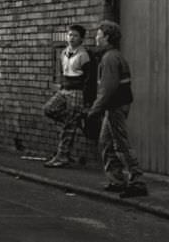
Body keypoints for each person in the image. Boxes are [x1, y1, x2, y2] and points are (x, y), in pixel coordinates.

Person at [85, 20, 148, 198]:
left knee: (121, 144)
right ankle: (117, 180)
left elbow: (107, 90)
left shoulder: (110, 58)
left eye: (99, 35)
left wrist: (93, 111)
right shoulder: (111, 56)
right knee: (105, 142)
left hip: (116, 106)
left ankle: (137, 182)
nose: (96, 38)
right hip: (115, 105)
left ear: (107, 37)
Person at [43, 24, 92, 168]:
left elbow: (89, 79)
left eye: (75, 35)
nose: (71, 38)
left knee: (68, 128)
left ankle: (62, 156)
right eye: (70, 35)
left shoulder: (84, 55)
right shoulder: (63, 53)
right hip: (64, 90)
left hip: (77, 92)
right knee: (48, 109)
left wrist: (87, 100)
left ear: (81, 39)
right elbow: (63, 73)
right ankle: (74, 121)